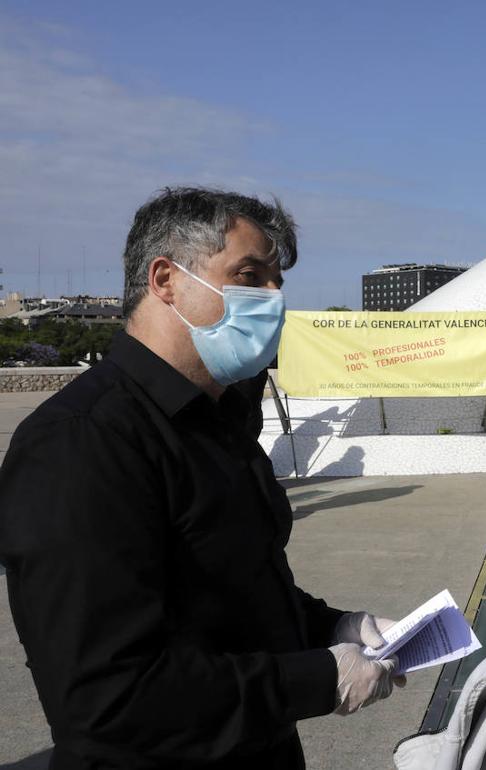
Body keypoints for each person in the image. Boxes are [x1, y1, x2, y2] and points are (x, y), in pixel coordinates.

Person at [0, 189, 403, 770]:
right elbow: (106, 696)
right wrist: (316, 678)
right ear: (165, 279)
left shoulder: (217, 423)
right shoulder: (83, 442)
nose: (274, 299)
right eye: (249, 275)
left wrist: (328, 626)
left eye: (277, 282)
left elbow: (226, 588)